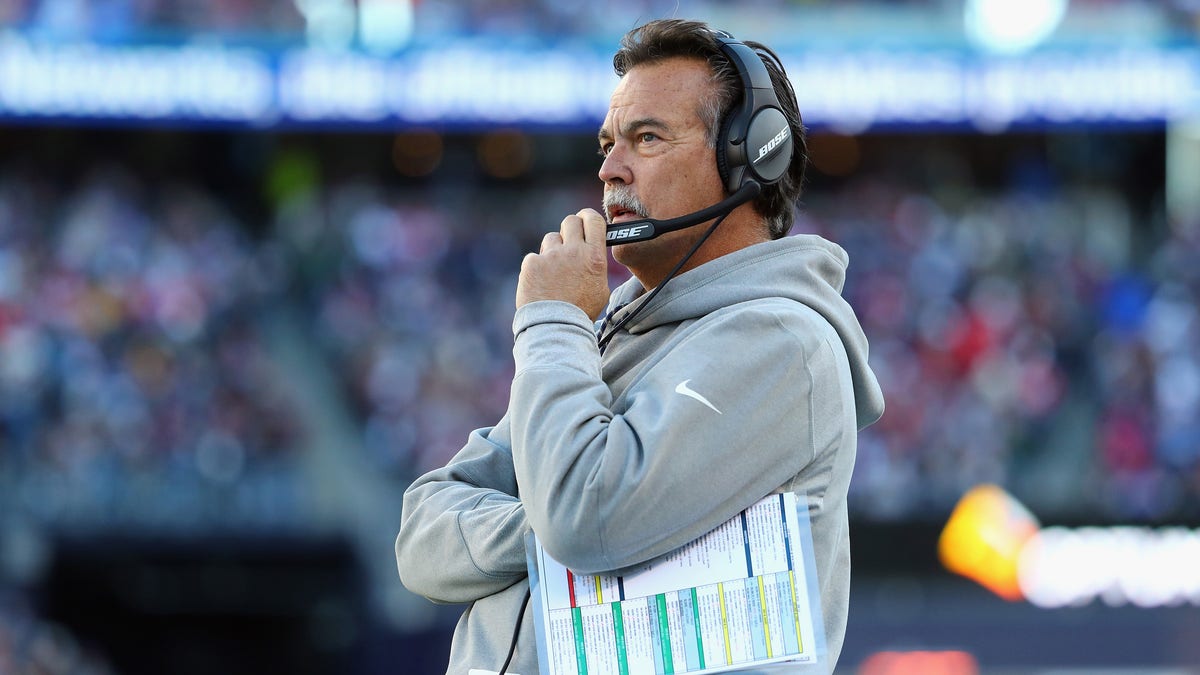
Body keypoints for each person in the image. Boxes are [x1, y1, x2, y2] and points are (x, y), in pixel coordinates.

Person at [395, 18, 885, 675]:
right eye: (607, 143)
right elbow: (422, 533)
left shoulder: (783, 342)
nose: (608, 168)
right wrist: (544, 526)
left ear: (750, 154)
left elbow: (583, 514)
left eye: (646, 137)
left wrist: (551, 321)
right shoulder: (604, 329)